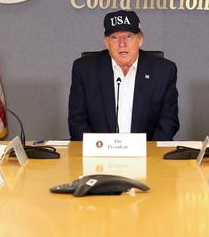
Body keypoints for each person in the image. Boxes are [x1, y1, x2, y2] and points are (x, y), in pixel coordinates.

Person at [68, 10, 179, 141]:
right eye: (115, 37)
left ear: (140, 40)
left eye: (129, 36)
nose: (122, 44)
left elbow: (168, 123)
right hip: (98, 156)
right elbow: (77, 122)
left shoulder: (164, 71)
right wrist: (99, 151)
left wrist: (148, 154)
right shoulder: (84, 70)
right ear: (106, 43)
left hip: (147, 155)